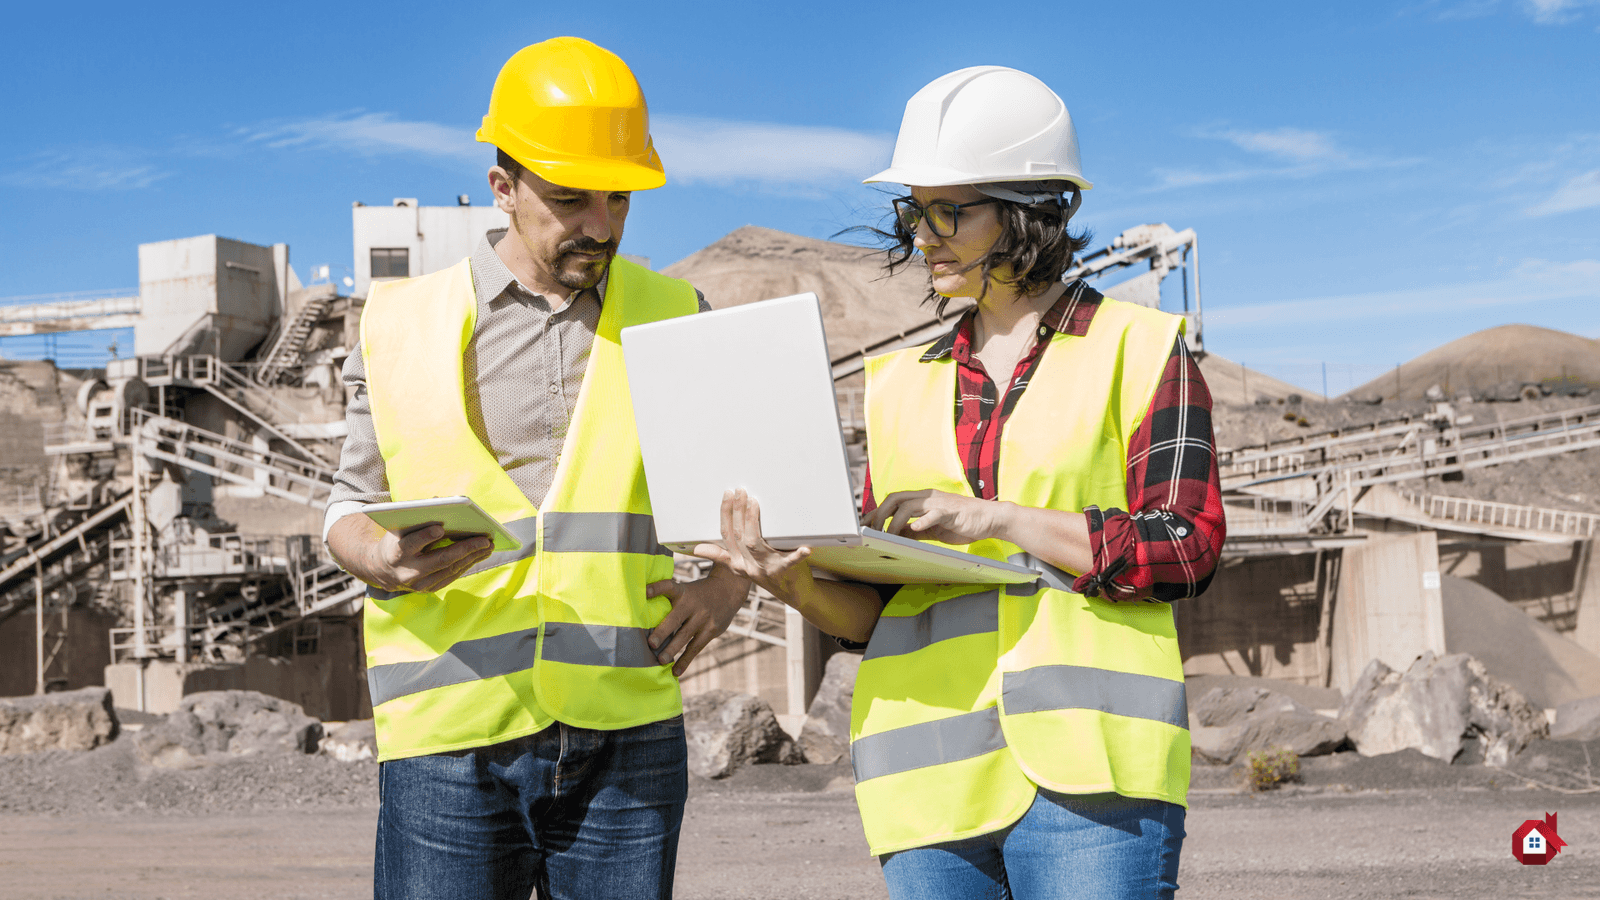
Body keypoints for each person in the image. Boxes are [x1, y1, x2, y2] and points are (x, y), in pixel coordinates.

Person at [700, 66, 1225, 899]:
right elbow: (876, 617)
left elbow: (1184, 547)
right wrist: (793, 581)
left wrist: (995, 517)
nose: (927, 234)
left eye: (952, 210)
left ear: (1031, 213)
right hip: (926, 779)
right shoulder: (897, 382)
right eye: (917, 211)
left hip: (1092, 781)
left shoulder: (1142, 348)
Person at [324, 37, 750, 900]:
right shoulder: (399, 321)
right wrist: (377, 556)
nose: (602, 224)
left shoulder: (677, 314)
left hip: (626, 730)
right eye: (570, 200)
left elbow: (746, 494)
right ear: (503, 190)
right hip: (447, 734)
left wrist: (727, 587)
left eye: (619, 199)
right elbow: (347, 505)